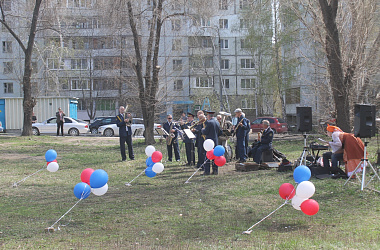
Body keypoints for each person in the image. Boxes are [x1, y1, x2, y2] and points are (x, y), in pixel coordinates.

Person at [201, 111, 222, 175]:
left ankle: (207, 171)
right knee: (215, 156)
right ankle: (215, 170)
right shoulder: (217, 122)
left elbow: (205, 132)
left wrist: (202, 130)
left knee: (207, 156)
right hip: (215, 141)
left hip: (209, 142)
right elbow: (220, 132)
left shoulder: (209, 122)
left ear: (208, 116)